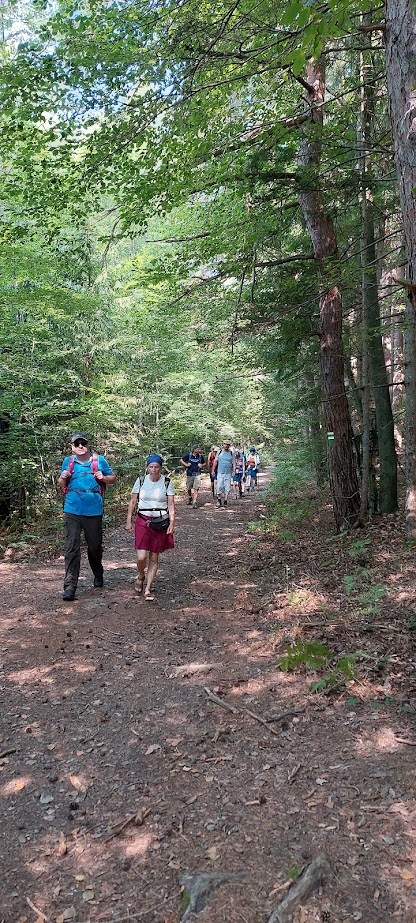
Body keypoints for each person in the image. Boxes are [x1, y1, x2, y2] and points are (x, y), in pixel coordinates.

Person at [58, 433, 116, 601]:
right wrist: (62, 478)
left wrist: (103, 477)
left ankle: (98, 573)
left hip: (93, 511)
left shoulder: (99, 460)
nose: (80, 446)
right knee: (71, 548)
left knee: (95, 547)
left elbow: (113, 479)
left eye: (83, 443)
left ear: (87, 445)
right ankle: (70, 587)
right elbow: (62, 484)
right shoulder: (68, 461)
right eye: (77, 444)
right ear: (72, 447)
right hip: (72, 509)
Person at [125, 453, 175, 601]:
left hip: (160, 522)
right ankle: (141, 575)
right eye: (151, 467)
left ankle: (148, 587)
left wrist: (172, 522)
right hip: (143, 520)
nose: (154, 470)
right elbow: (133, 501)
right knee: (141, 556)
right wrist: (129, 520)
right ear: (147, 467)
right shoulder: (141, 481)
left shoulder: (167, 482)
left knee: (154, 556)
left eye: (156, 467)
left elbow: (171, 504)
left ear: (161, 468)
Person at [213, 440, 235, 507]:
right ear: (223, 445)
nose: (226, 446)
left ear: (229, 446)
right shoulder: (219, 452)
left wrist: (234, 471)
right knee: (219, 486)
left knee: (227, 487)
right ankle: (219, 499)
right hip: (220, 472)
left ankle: (225, 500)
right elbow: (215, 461)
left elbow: (234, 462)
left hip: (228, 473)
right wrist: (213, 470)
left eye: (228, 444)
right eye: (225, 444)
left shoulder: (231, 453)